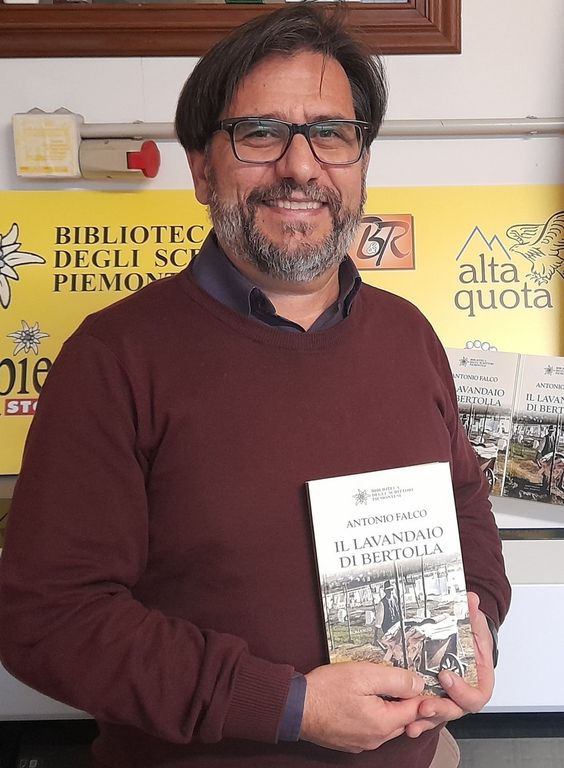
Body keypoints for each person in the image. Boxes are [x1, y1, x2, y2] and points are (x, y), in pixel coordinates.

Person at [0, 5, 510, 768]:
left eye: (331, 133)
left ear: (361, 162)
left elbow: (467, 510)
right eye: (261, 133)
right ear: (203, 170)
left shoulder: (408, 335)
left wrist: (481, 625)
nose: (301, 167)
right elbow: (49, 620)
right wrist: (290, 707)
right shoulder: (114, 358)